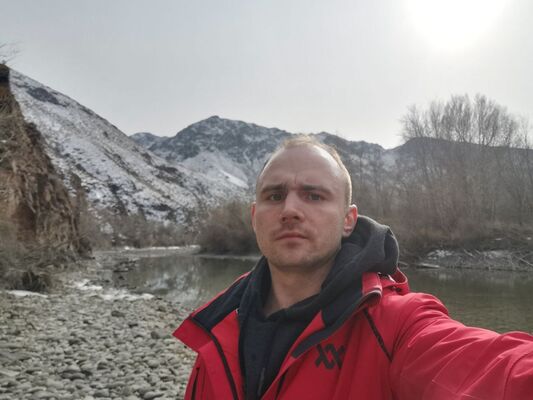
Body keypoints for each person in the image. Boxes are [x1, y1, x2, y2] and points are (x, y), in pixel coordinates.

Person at [174, 136, 533, 399]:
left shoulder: (397, 326)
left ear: (348, 220)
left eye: (314, 195)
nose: (290, 210)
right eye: (275, 196)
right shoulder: (217, 328)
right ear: (255, 218)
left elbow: (497, 371)